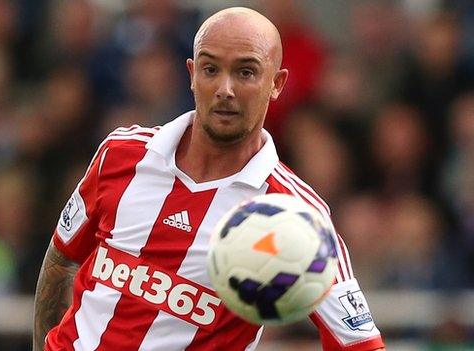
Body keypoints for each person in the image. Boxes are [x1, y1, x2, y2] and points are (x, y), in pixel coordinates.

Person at [33, 7, 386, 351]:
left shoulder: (294, 215)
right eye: (210, 68)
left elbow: (361, 343)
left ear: (277, 83)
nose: (225, 89)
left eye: (246, 72)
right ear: (191, 73)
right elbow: (62, 259)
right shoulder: (121, 153)